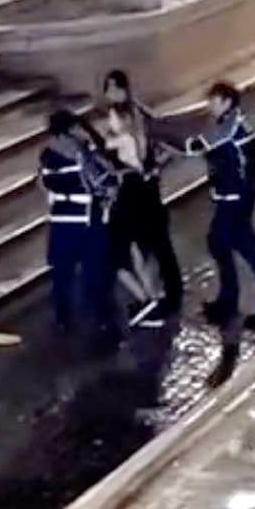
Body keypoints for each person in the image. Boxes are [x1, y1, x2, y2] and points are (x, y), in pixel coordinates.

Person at [172, 82, 255, 342]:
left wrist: (156, 132)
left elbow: (194, 146)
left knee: (247, 251)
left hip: (235, 199)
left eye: (212, 101)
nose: (209, 107)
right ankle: (236, 302)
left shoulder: (230, 127)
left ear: (226, 102)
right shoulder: (231, 122)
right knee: (221, 244)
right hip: (231, 196)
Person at [102, 70, 184, 315]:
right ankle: (159, 292)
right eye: (108, 89)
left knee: (144, 241)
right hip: (141, 184)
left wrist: (150, 163)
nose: (110, 94)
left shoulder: (129, 116)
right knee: (152, 240)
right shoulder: (133, 113)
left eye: (113, 89)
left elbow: (128, 149)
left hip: (136, 186)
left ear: (123, 90)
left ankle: (155, 295)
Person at [39, 109, 120, 343]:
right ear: (70, 128)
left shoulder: (46, 154)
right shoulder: (78, 150)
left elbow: (43, 183)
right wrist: (111, 188)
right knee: (95, 269)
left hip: (60, 219)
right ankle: (102, 320)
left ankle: (63, 318)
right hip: (86, 218)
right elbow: (97, 180)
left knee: (62, 272)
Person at [103, 103, 166, 328]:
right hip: (138, 196)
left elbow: (105, 153)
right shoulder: (136, 139)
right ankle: (153, 299)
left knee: (115, 257)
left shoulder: (122, 141)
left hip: (126, 199)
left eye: (112, 119)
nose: (109, 124)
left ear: (124, 120)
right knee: (136, 250)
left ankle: (144, 300)